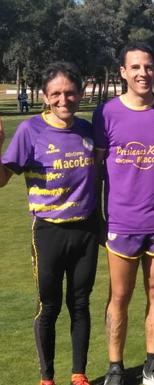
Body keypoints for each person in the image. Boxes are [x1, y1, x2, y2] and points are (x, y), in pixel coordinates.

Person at [93, 42, 154, 385]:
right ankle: (115, 369)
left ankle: (153, 365)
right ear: (123, 72)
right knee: (119, 296)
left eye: (148, 67)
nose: (142, 73)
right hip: (122, 222)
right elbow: (95, 170)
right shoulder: (106, 114)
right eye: (135, 67)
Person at [1, 62, 98, 385]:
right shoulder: (31, 130)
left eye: (70, 92)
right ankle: (47, 378)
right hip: (48, 232)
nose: (63, 99)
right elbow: (3, 179)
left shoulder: (86, 129)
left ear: (80, 94)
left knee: (80, 304)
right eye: (55, 93)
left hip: (85, 231)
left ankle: (79, 374)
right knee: (50, 305)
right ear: (45, 96)